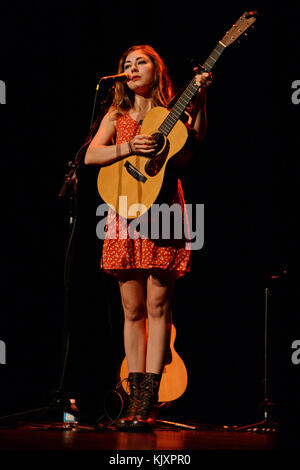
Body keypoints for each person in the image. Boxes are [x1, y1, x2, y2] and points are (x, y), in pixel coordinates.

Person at [85, 45, 212, 431]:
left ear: (157, 71)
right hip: (124, 210)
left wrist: (202, 100)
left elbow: (194, 144)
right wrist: (127, 147)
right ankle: (131, 398)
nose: (132, 68)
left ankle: (148, 400)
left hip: (163, 210)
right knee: (132, 310)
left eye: (141, 62)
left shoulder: (170, 113)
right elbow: (91, 156)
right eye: (126, 63)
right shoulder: (116, 113)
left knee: (159, 306)